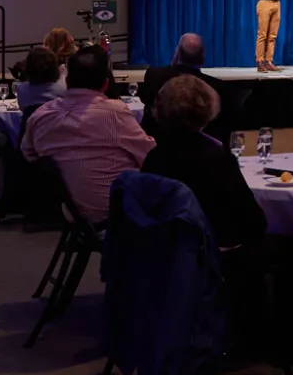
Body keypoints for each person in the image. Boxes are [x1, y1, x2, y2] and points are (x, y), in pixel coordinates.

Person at [140, 75, 268, 354]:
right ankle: (261, 335)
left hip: (164, 255)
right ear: (207, 110)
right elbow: (253, 221)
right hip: (213, 256)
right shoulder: (217, 158)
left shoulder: (154, 158)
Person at [22, 46, 156, 224]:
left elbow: (29, 154)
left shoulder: (40, 116)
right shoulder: (115, 113)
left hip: (75, 213)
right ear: (106, 84)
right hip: (122, 212)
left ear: (67, 81)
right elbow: (150, 156)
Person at [139, 33, 230, 140]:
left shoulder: (154, 76)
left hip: (160, 144)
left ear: (177, 53)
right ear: (203, 56)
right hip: (200, 148)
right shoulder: (215, 86)